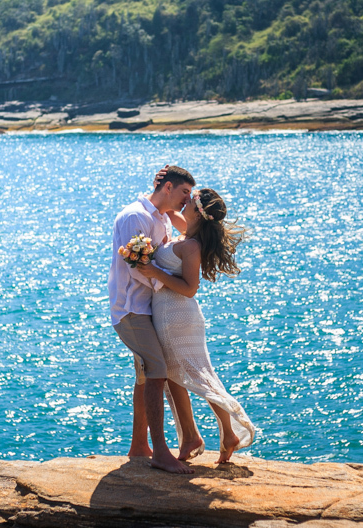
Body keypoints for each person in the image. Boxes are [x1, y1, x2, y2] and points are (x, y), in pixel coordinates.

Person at [135, 187, 256, 464]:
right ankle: (196, 436)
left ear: (199, 214)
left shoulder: (191, 245)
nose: (185, 201)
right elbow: (166, 208)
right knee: (177, 375)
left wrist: (154, 272)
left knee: (198, 376)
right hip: (167, 314)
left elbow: (190, 289)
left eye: (190, 200)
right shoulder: (187, 232)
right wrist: (161, 184)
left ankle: (227, 433)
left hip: (177, 316)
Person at [108, 166, 205, 474]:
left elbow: (193, 227)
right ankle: (161, 452)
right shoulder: (134, 216)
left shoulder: (161, 217)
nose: (187, 198)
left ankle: (139, 445)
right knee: (157, 371)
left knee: (144, 376)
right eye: (184, 192)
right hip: (131, 309)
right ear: (168, 188)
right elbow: (136, 265)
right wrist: (170, 284)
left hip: (148, 308)